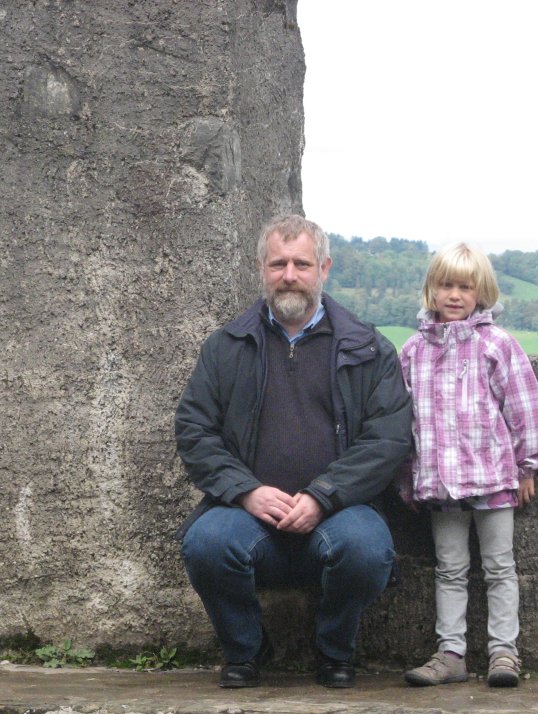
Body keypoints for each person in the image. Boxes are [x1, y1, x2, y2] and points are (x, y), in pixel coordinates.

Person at [175, 214, 412, 689]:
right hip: (247, 518)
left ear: (323, 268)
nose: (289, 275)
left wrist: (323, 495)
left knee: (368, 549)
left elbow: (389, 437)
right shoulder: (226, 347)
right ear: (261, 269)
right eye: (278, 264)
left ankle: (334, 652)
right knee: (205, 543)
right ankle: (245, 650)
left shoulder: (368, 348)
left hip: (339, 516)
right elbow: (195, 429)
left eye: (301, 264)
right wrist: (245, 491)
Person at [398, 242, 538, 688]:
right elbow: (403, 421)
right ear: (431, 290)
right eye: (446, 285)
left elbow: (524, 404)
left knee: (500, 566)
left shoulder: (496, 344)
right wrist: (407, 478)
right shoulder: (412, 351)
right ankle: (451, 654)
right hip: (440, 484)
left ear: (481, 291)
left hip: (493, 478)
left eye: (465, 286)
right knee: (450, 569)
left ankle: (504, 653)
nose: (455, 295)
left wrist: (528, 465)